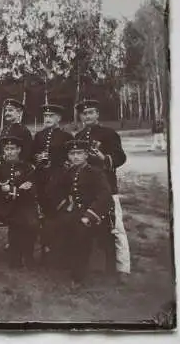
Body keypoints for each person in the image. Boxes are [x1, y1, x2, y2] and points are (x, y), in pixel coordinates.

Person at [75, 99, 130, 283]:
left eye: (91, 112)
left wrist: (104, 158)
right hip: (87, 189)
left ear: (97, 114)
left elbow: (121, 157)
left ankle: (123, 268)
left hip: (107, 186)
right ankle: (93, 264)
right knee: (89, 225)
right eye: (84, 113)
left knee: (115, 227)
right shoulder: (80, 135)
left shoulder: (109, 133)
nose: (87, 116)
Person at [46, 140, 114, 286]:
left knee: (81, 233)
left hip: (91, 214)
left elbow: (104, 195)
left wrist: (89, 215)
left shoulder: (95, 172)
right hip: (72, 211)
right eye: (72, 154)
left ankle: (78, 275)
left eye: (79, 154)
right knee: (51, 226)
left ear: (86, 155)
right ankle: (60, 262)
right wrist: (64, 204)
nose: (75, 157)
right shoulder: (68, 172)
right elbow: (55, 190)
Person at [0, 136, 41, 269]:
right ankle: (14, 256)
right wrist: (18, 189)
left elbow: (31, 191)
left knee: (31, 223)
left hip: (25, 204)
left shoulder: (27, 168)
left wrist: (11, 190)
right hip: (3, 204)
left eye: (13, 149)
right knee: (14, 219)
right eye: (7, 149)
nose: (10, 152)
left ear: (19, 150)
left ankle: (28, 255)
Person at [32, 104, 74, 261]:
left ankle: (56, 246)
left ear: (59, 118)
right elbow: (32, 155)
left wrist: (55, 163)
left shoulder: (66, 137)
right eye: (46, 116)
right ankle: (45, 244)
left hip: (58, 179)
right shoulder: (39, 136)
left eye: (51, 116)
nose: (47, 119)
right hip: (41, 177)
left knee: (57, 211)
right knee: (41, 210)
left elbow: (70, 158)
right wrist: (36, 158)